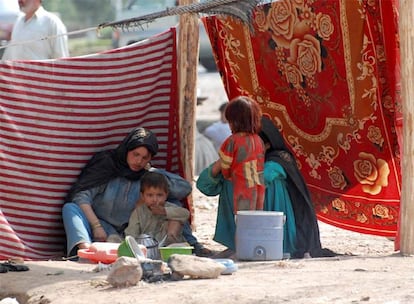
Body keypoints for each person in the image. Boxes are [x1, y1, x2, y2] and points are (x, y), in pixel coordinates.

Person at [197, 116, 336, 258]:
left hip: (279, 238)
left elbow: (259, 180)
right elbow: (204, 186)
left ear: (267, 145)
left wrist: (235, 169)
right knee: (231, 180)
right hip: (240, 232)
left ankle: (255, 242)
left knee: (244, 182)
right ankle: (239, 243)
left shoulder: (278, 161)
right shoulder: (234, 162)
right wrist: (221, 163)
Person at [62, 127, 212, 258]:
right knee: (70, 208)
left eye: (144, 157)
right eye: (135, 154)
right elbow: (81, 197)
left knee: (172, 204)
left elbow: (184, 188)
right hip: (103, 228)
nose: (138, 161)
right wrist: (96, 226)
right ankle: (85, 252)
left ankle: (193, 245)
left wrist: (151, 171)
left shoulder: (145, 175)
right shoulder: (107, 166)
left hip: (133, 233)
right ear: (127, 149)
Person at [215, 95, 265, 213]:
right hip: (259, 186)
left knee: (243, 221)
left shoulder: (232, 141)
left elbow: (225, 165)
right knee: (257, 217)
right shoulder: (259, 140)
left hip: (242, 186)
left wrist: (227, 175)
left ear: (234, 122)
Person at [124, 171, 190, 245]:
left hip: (169, 245)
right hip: (147, 246)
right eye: (150, 195)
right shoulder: (139, 212)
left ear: (166, 195)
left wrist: (164, 211)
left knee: (175, 221)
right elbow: (131, 233)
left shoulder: (169, 207)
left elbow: (185, 213)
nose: (155, 199)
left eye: (159, 195)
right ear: (142, 196)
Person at [2, 0, 69, 60]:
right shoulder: (18, 21)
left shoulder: (52, 22)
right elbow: (11, 52)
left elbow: (61, 58)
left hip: (42, 73)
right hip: (17, 73)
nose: (20, 1)